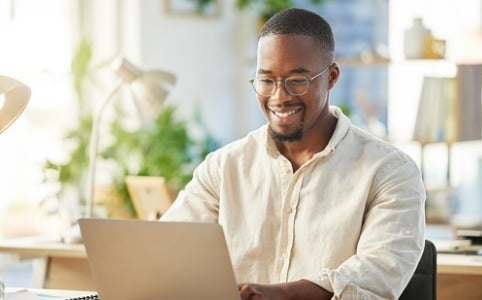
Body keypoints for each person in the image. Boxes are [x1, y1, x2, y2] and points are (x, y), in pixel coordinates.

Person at [161, 7, 425, 300]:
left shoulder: (391, 172)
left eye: (297, 80)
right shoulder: (224, 167)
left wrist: (277, 295)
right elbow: (167, 253)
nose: (279, 96)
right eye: (267, 80)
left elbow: (375, 277)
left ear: (332, 77)